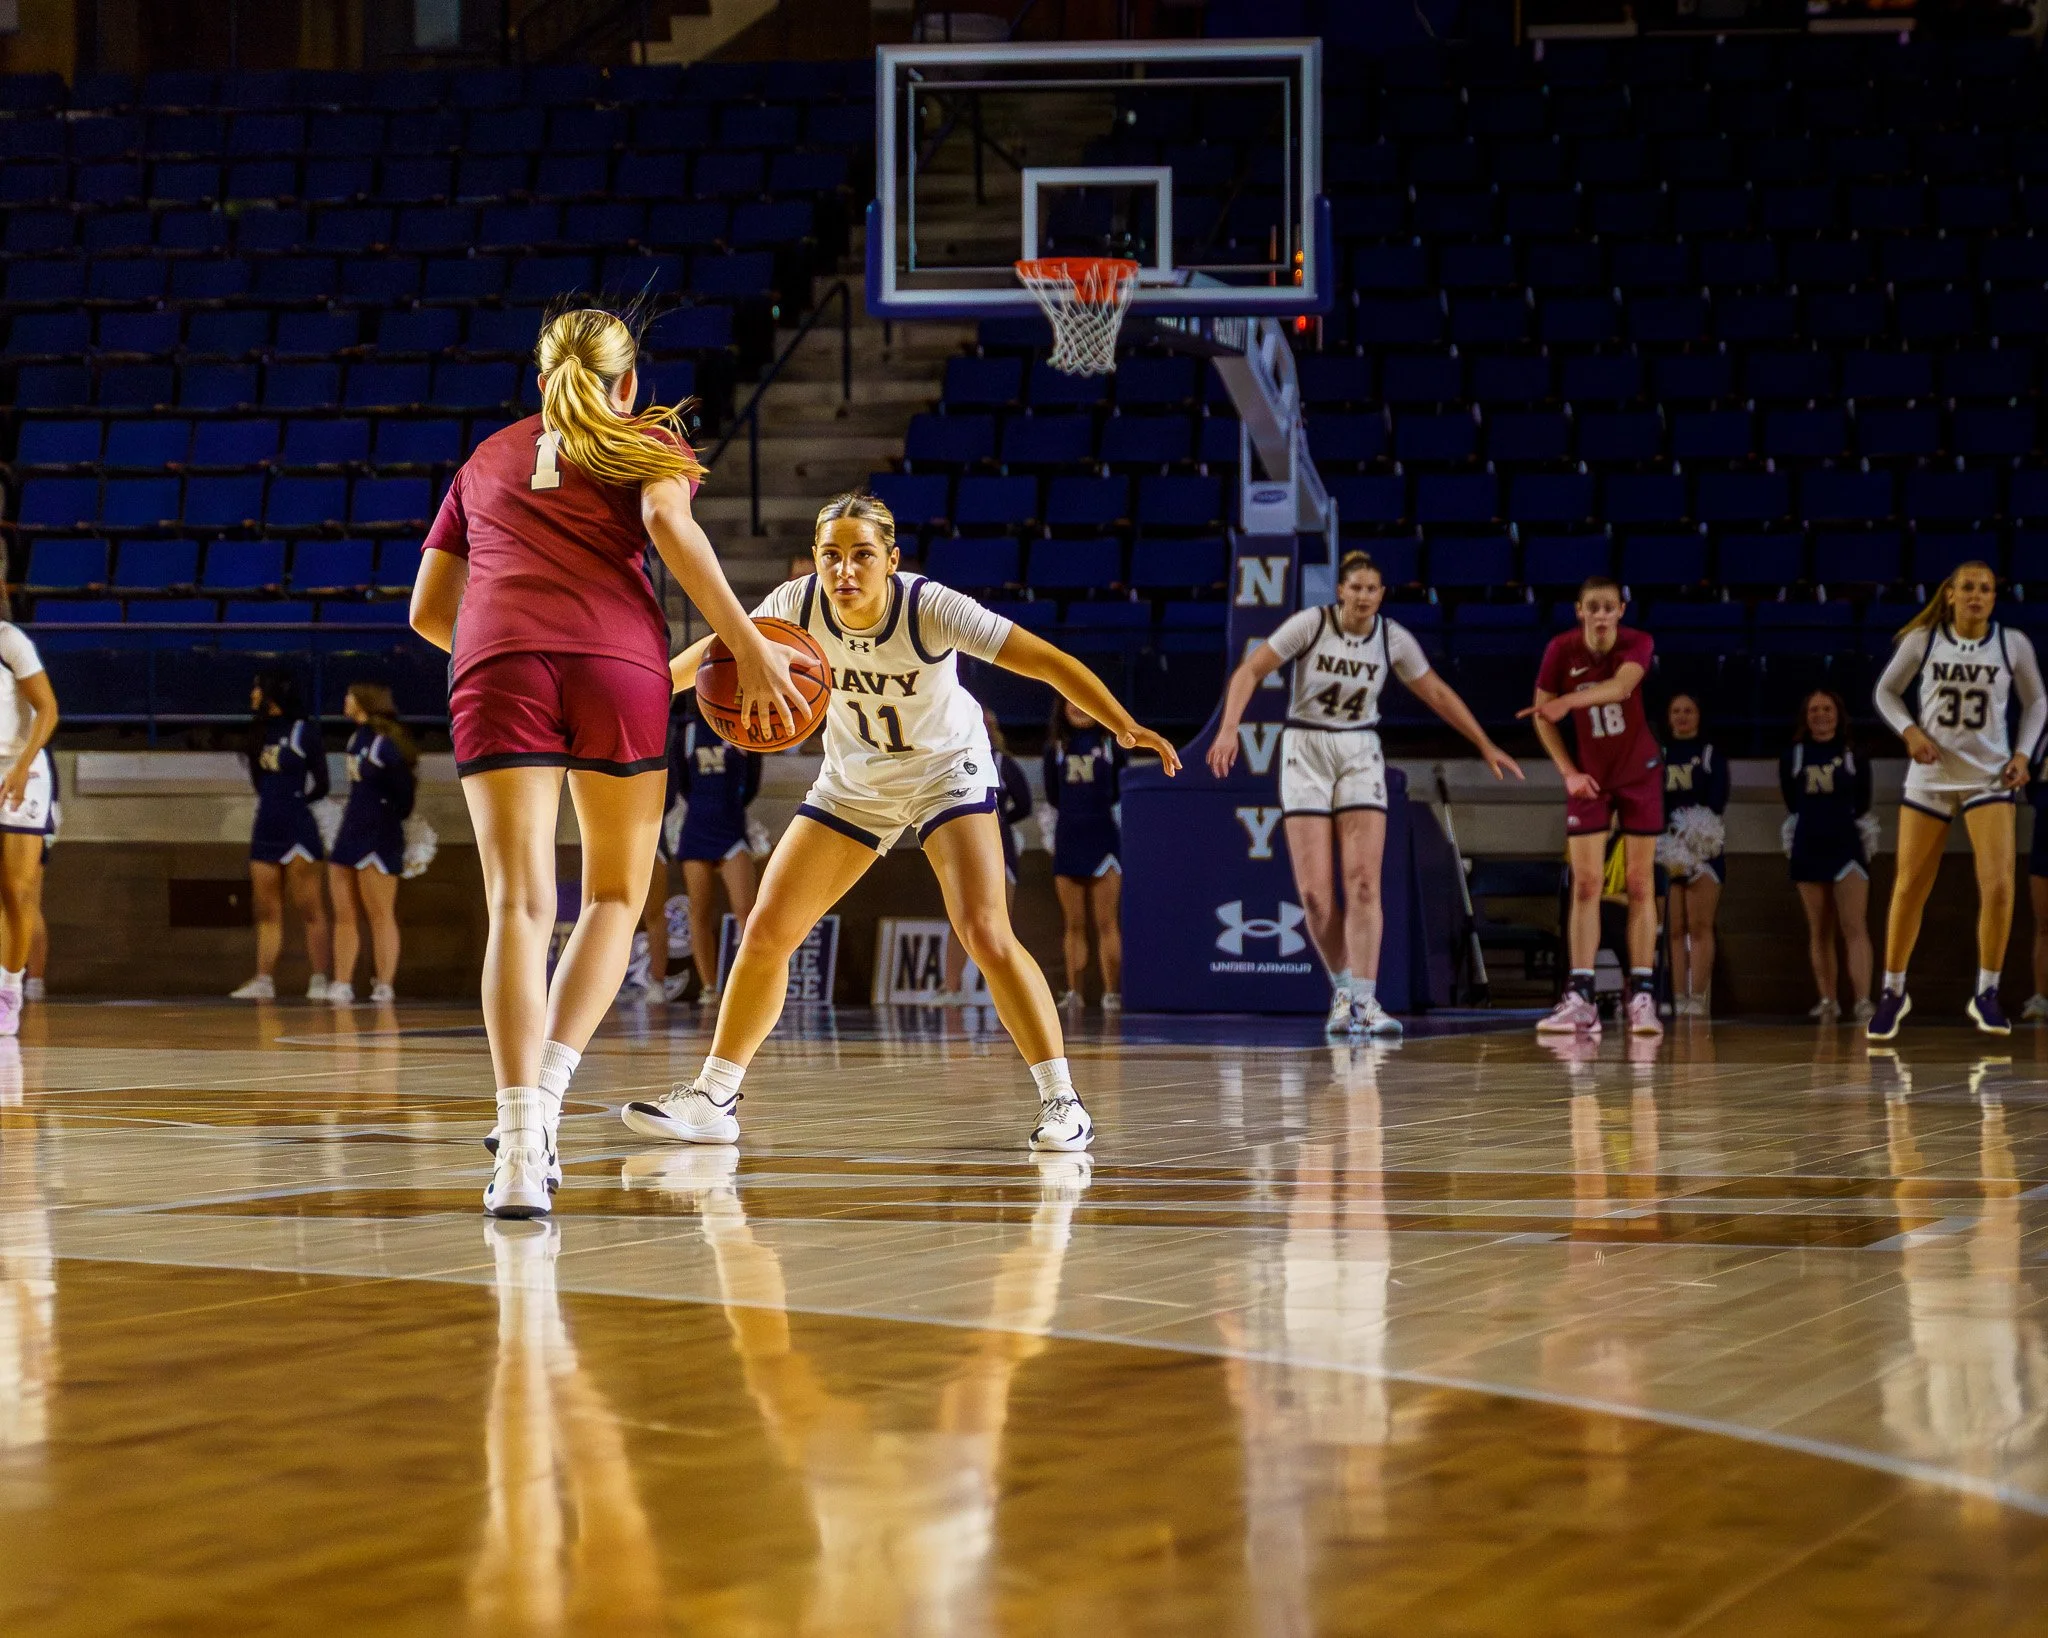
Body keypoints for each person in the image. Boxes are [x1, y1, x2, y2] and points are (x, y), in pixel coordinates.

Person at [620, 489, 1181, 1155]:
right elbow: (718, 653)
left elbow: (1048, 663)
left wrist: (1124, 725)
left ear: (892, 561)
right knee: (767, 929)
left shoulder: (930, 608)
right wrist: (642, 692)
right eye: (831, 555)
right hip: (856, 782)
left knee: (984, 930)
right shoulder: (796, 604)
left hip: (946, 772)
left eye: (862, 555)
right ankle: (715, 1097)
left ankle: (1064, 1102)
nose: (844, 569)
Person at [409, 303, 806, 1219]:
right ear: (628, 382)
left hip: (495, 663)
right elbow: (670, 527)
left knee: (518, 905)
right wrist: (747, 644)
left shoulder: (486, 457)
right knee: (615, 899)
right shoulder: (647, 442)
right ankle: (547, 1097)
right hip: (617, 665)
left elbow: (429, 613)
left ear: (540, 378)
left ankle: (519, 1147)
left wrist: (503, 649)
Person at [1208, 549, 1521, 1037]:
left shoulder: (1392, 638)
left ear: (1382, 594)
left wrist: (1484, 743)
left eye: (1372, 588)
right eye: (1355, 587)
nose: (1363, 596)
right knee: (1315, 895)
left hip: (1358, 749)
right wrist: (1229, 729)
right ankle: (1342, 989)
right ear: (1340, 591)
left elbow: (1436, 692)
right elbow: (1250, 669)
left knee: (1363, 884)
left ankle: (1365, 999)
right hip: (1306, 745)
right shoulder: (1311, 624)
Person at [1868, 560, 2045, 1039]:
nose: (1976, 595)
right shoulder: (1923, 640)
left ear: (1994, 597)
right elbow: (1885, 692)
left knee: (2000, 886)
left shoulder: (2012, 643)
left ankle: (1987, 992)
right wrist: (1909, 732)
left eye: (1985, 589)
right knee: (1909, 885)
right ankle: (1893, 991)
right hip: (1932, 775)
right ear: (1950, 593)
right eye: (1968, 587)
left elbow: (2037, 701)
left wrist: (2023, 754)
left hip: (1989, 776)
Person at [1521, 575, 1666, 1039]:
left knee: (1640, 883)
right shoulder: (1560, 650)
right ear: (1579, 611)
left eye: (1609, 607)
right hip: (1590, 775)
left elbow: (1622, 688)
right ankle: (1580, 998)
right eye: (1593, 607)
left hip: (1638, 771)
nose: (1601, 615)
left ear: (1621, 611)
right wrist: (1568, 771)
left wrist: (1569, 699)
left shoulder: (1637, 642)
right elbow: (1542, 716)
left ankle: (1642, 995)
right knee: (1586, 883)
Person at [230, 670, 332, 1003]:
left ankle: (320, 978)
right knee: (265, 909)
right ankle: (264, 979)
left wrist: (297, 803)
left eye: (257, 688)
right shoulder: (258, 732)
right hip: (266, 826)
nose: (253, 694)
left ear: (273, 692)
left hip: (297, 828)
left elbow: (322, 783)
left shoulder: (304, 731)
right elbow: (259, 781)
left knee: (309, 906)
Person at [1781, 689, 1874, 1025]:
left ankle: (1862, 1001)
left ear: (1838, 714)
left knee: (1854, 925)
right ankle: (1827, 1000)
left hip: (1846, 844)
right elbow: (1792, 800)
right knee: (1819, 928)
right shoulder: (1793, 755)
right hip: (1809, 843)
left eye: (1827, 708)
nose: (1821, 715)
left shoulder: (1853, 753)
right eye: (1814, 709)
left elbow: (1863, 800)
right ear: (1806, 717)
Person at [326, 682, 418, 1006]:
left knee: (380, 914)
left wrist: (388, 822)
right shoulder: (355, 739)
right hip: (350, 831)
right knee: (343, 913)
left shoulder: (385, 744)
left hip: (379, 834)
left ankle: (384, 984)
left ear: (364, 701)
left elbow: (404, 796)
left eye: (349, 696)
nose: (345, 700)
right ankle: (341, 982)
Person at [670, 691, 763, 1006]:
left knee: (747, 912)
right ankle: (709, 988)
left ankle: (749, 987)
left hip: (731, 831)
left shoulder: (743, 730)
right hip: (696, 830)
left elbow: (752, 783)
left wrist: (730, 809)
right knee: (699, 912)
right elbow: (682, 784)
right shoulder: (686, 733)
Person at [941, 704, 1031, 1003]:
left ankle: (1004, 994)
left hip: (998, 844)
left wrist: (1000, 821)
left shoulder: (1002, 763)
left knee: (1000, 921)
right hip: (962, 843)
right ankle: (950, 988)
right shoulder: (949, 758)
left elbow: (1025, 804)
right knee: (958, 918)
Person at [1043, 700, 1125, 1011]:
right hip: (1069, 838)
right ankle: (1073, 992)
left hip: (1103, 837)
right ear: (1061, 707)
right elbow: (1053, 795)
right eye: (1072, 702)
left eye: (1084, 702)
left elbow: (1120, 788)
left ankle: (1112, 993)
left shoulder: (1112, 744)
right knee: (1073, 924)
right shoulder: (1055, 748)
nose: (1079, 708)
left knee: (1107, 922)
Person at [0, 608, 58, 1035]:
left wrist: (22, 766)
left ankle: (9, 992)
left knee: (17, 891)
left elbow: (48, 709)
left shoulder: (9, 640)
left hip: (24, 769)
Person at [1660, 692, 1727, 1017]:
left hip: (1703, 848)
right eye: (1676, 711)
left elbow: (1717, 801)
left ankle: (1697, 997)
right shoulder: (1658, 754)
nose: (1683, 716)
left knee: (1700, 926)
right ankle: (1676, 996)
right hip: (1666, 849)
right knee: (1674, 929)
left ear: (1699, 716)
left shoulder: (1711, 753)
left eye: (1689, 710)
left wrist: (1693, 836)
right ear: (1669, 717)